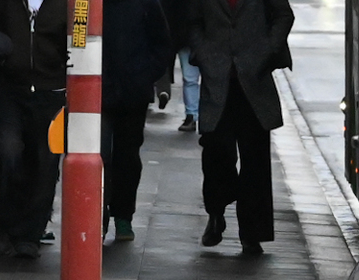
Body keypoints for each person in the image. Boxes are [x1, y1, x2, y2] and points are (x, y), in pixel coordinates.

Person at [177, 0, 292, 255]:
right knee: (216, 151)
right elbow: (192, 20)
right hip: (217, 80)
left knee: (255, 162)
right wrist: (203, 51)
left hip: (254, 80)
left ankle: (252, 234)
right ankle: (216, 212)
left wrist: (268, 47)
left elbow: (283, 15)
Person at [0, 0, 71, 258]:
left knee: (45, 162)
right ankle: (4, 225)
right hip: (9, 92)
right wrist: (0, 52)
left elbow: (81, 42)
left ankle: (31, 233)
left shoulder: (68, 4)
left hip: (52, 96)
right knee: (6, 152)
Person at [103, 0, 179, 242]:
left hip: (133, 93)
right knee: (98, 155)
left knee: (127, 157)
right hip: (97, 92)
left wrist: (145, 73)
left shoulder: (145, 3)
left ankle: (123, 216)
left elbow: (162, 42)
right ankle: (98, 216)